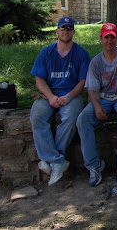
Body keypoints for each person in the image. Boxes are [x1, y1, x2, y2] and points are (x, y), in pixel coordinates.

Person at [76, 23, 117, 186]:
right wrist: (97, 106)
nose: (109, 41)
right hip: (104, 98)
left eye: (112, 37)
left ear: (116, 38)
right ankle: (93, 165)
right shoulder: (95, 62)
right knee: (83, 119)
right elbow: (92, 90)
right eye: (106, 38)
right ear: (101, 39)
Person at [29, 16, 91, 185]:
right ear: (57, 31)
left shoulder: (81, 54)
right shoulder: (46, 53)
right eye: (62, 28)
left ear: (73, 31)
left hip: (71, 94)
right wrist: (50, 97)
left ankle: (52, 160)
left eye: (69, 28)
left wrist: (69, 97)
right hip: (49, 94)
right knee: (37, 116)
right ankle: (56, 160)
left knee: (71, 118)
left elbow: (83, 81)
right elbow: (39, 79)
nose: (65, 31)